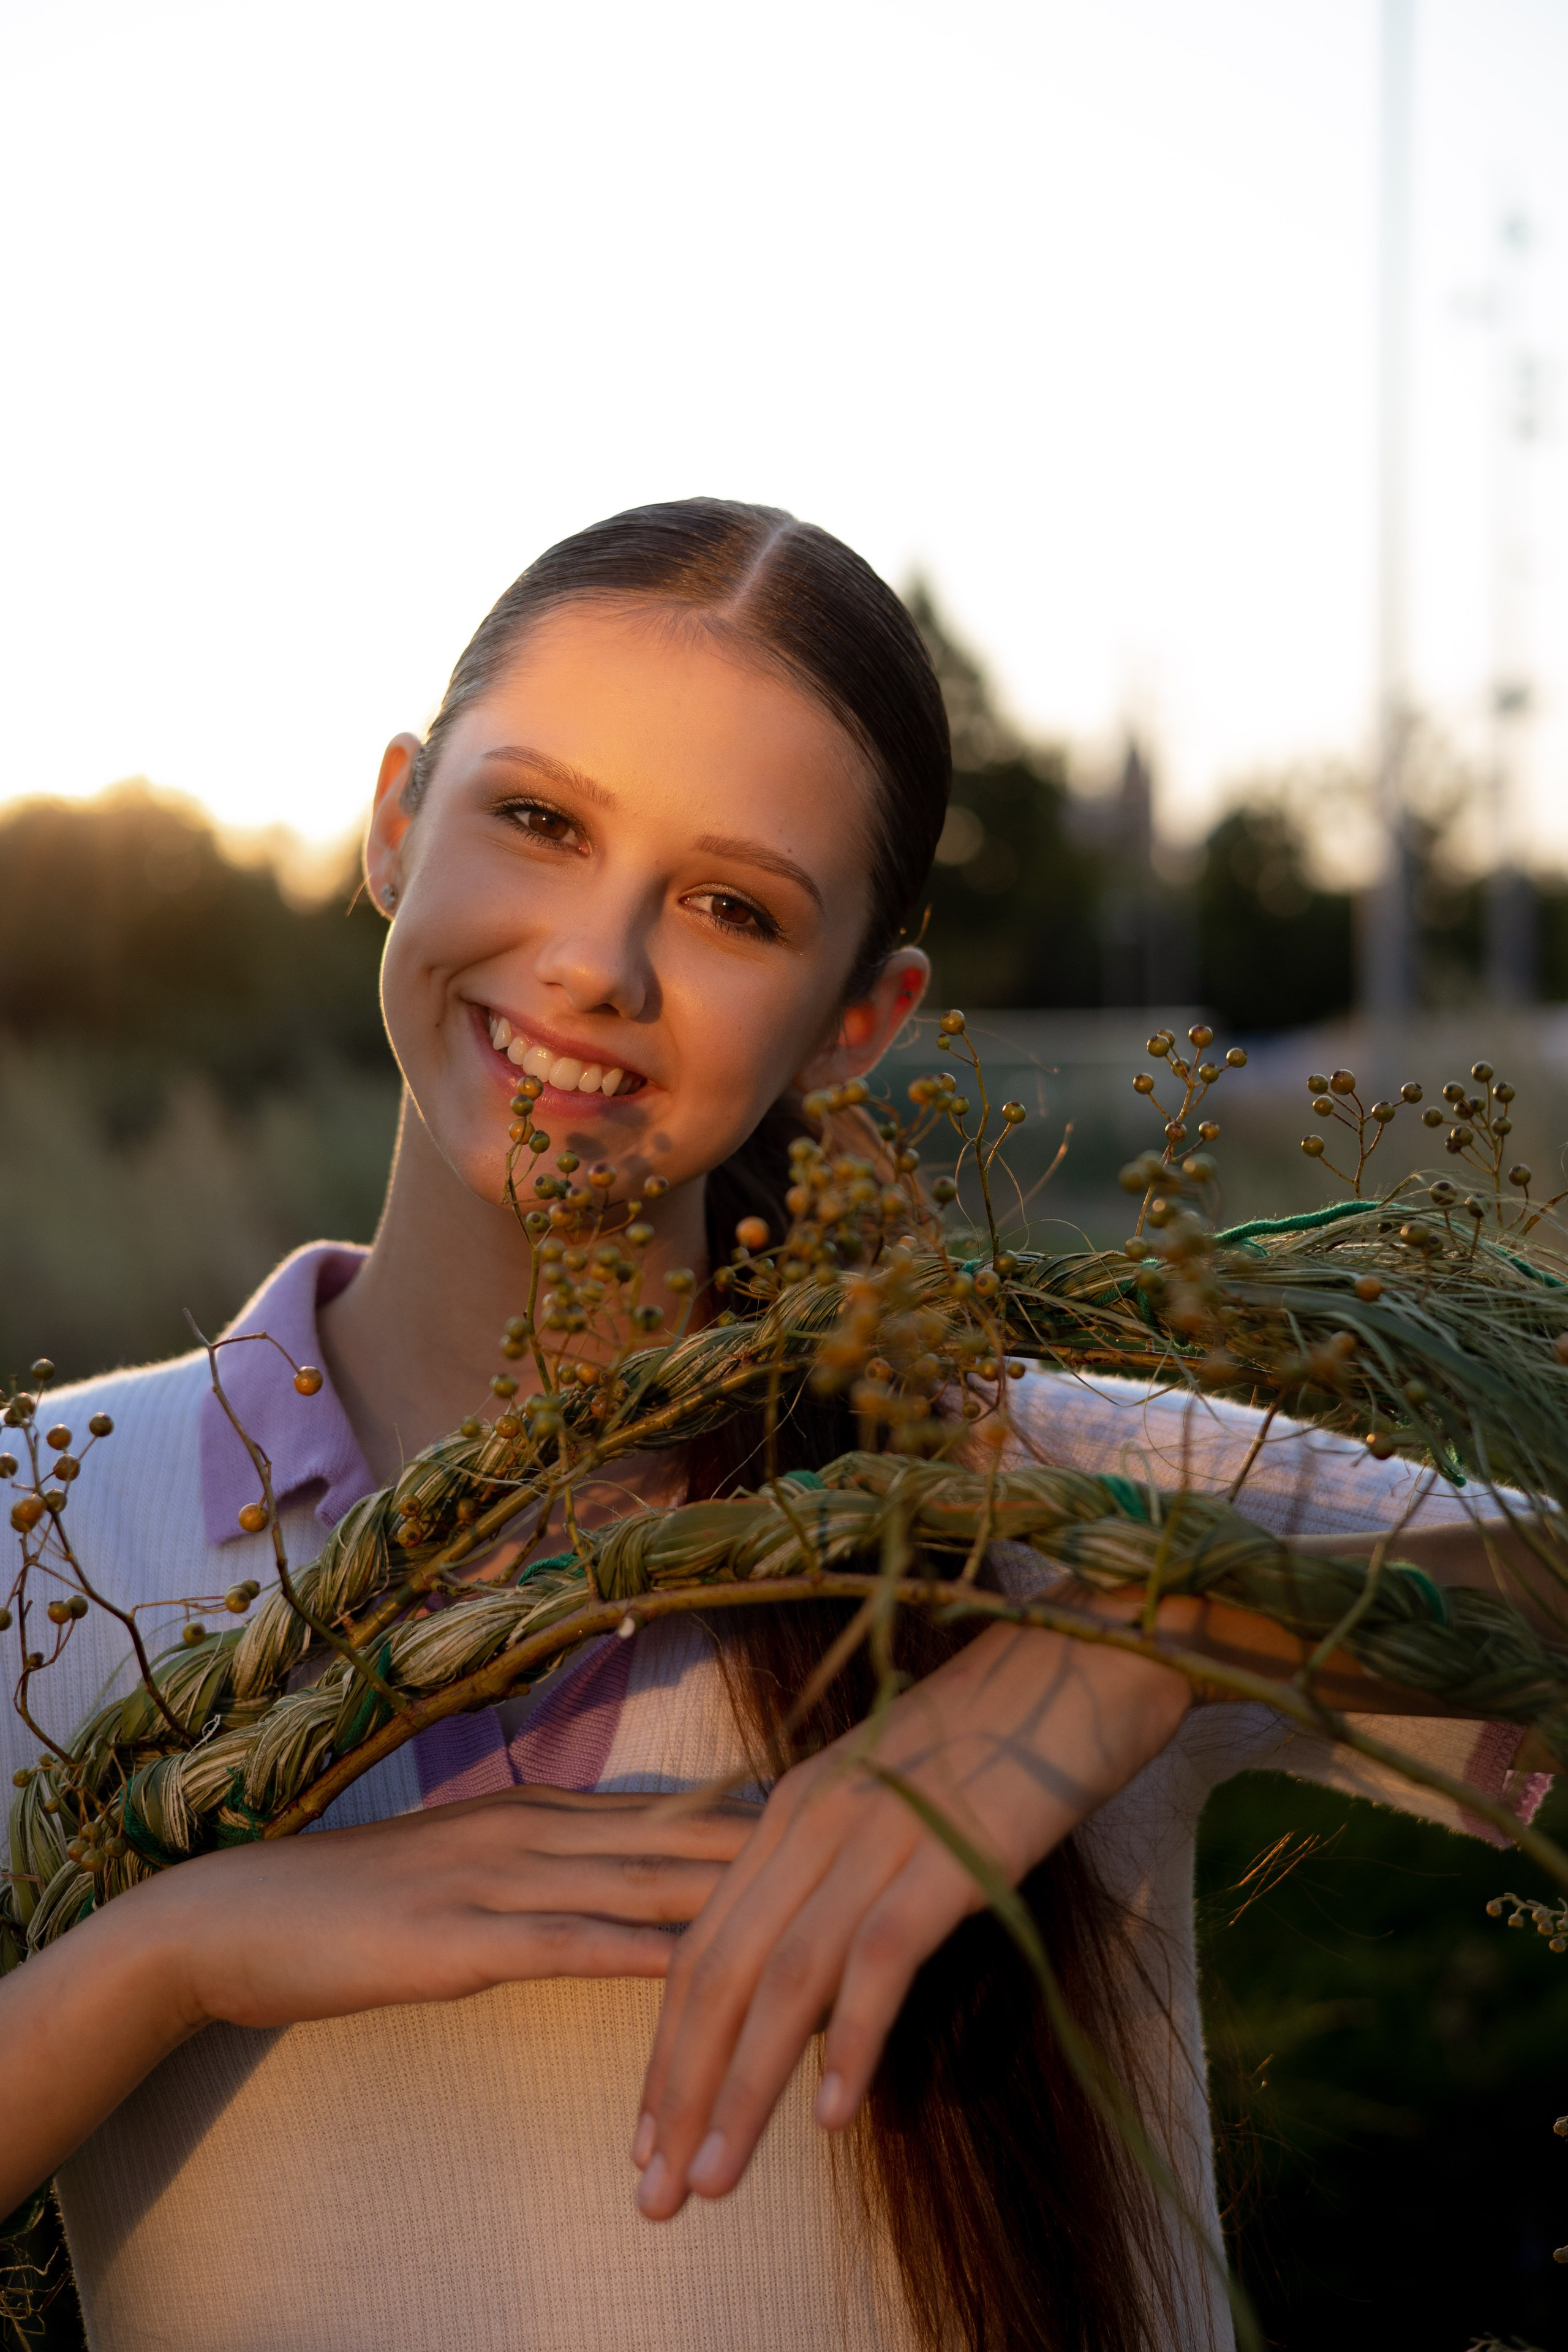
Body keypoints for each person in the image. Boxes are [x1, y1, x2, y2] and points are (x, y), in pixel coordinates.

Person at [0, 499, 1551, 2352]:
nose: (598, 961)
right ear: (398, 816)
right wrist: (171, 1956)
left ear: (855, 1021)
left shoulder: (1031, 1480)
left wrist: (1161, 1632)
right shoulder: (49, 1521)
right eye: (539, 821)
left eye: (735, 908)